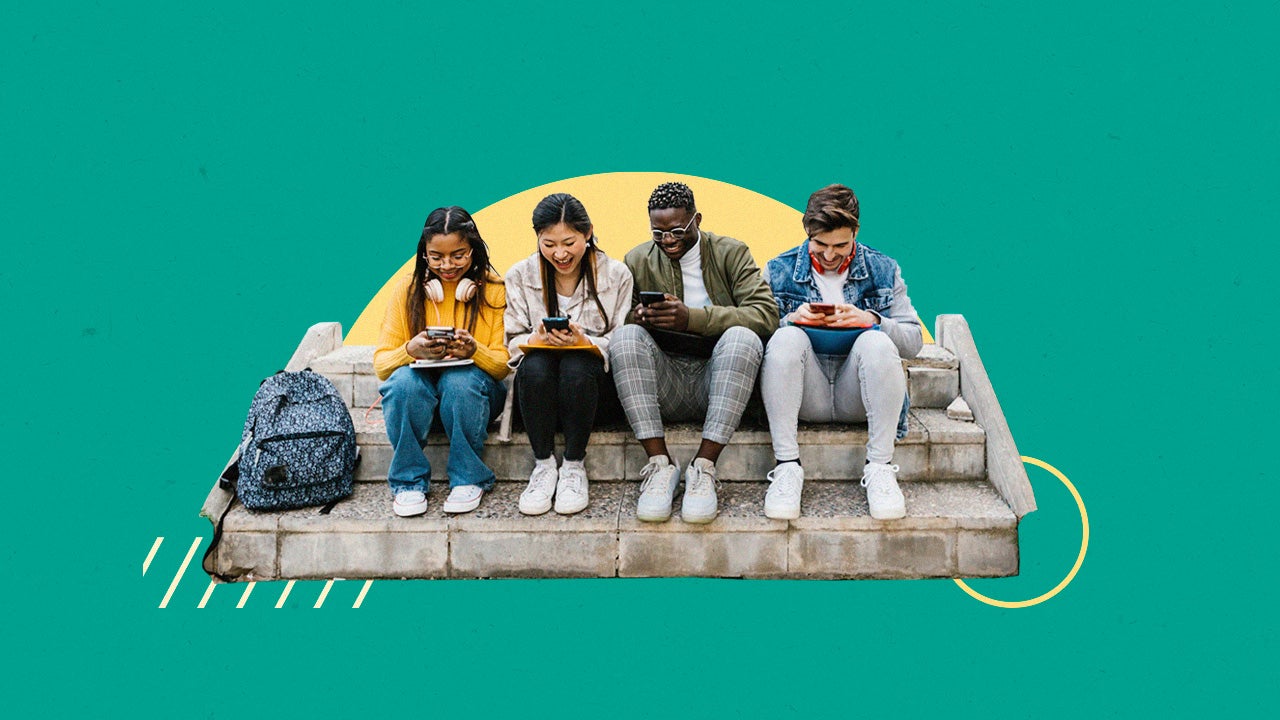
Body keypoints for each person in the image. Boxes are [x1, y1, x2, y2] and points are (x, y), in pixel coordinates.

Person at [609, 181, 778, 523]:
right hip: (664, 382)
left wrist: (693, 318)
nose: (668, 240)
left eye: (676, 230)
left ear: (696, 220)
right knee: (625, 337)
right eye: (658, 233)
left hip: (720, 381)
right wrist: (639, 318)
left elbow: (766, 314)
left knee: (743, 339)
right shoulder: (637, 259)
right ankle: (659, 465)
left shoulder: (731, 252)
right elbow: (617, 318)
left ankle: (703, 467)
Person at [761, 184, 923, 520]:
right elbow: (754, 336)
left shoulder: (883, 269)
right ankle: (787, 466)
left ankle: (879, 467)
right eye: (820, 244)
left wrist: (872, 320)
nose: (830, 255)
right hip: (805, 392)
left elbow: (913, 341)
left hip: (859, 395)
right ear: (807, 231)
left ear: (856, 233)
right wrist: (789, 320)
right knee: (785, 339)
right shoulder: (777, 270)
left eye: (840, 245)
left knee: (876, 342)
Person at [374, 206, 510, 517]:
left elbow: (504, 364)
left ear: (473, 250)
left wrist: (474, 351)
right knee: (403, 383)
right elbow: (382, 365)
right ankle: (408, 482)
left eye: (458, 255)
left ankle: (468, 478)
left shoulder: (494, 290)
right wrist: (411, 350)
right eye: (436, 257)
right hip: (422, 402)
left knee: (459, 380)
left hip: (474, 399)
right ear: (424, 254)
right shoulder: (407, 290)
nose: (446, 265)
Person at [504, 193, 633, 515]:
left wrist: (586, 343)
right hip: (537, 391)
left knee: (577, 363)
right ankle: (544, 466)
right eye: (548, 244)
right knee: (535, 364)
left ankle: (574, 466)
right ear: (537, 238)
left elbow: (625, 337)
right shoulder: (519, 275)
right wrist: (537, 339)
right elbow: (510, 340)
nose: (560, 254)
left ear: (587, 233)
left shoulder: (617, 275)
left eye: (569, 242)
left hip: (592, 392)